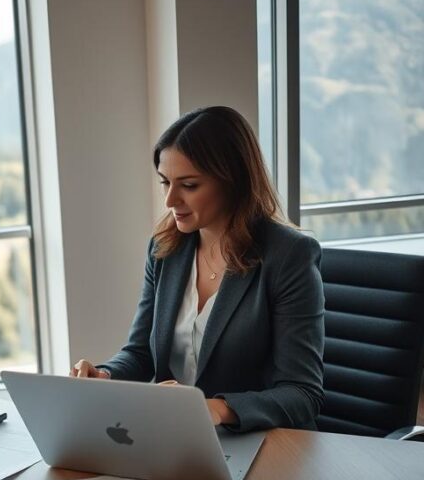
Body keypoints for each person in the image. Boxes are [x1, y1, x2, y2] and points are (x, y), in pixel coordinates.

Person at [70, 106, 324, 432]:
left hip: (262, 442)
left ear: (233, 181)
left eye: (189, 185)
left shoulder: (289, 256)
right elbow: (141, 353)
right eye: (165, 183)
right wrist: (104, 375)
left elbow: (302, 393)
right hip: (176, 438)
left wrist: (215, 409)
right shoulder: (165, 250)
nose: (170, 200)